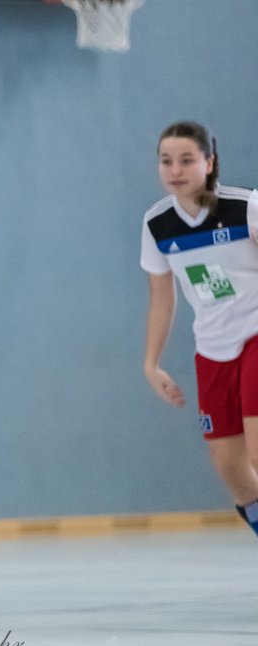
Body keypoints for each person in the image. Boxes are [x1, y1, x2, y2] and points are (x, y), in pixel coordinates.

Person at [142, 121, 258, 539]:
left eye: (187, 160)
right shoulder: (158, 225)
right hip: (212, 351)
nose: (175, 169)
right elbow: (162, 297)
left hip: (256, 339)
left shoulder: (245, 207)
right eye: (166, 161)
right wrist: (151, 363)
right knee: (233, 472)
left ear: (209, 163)